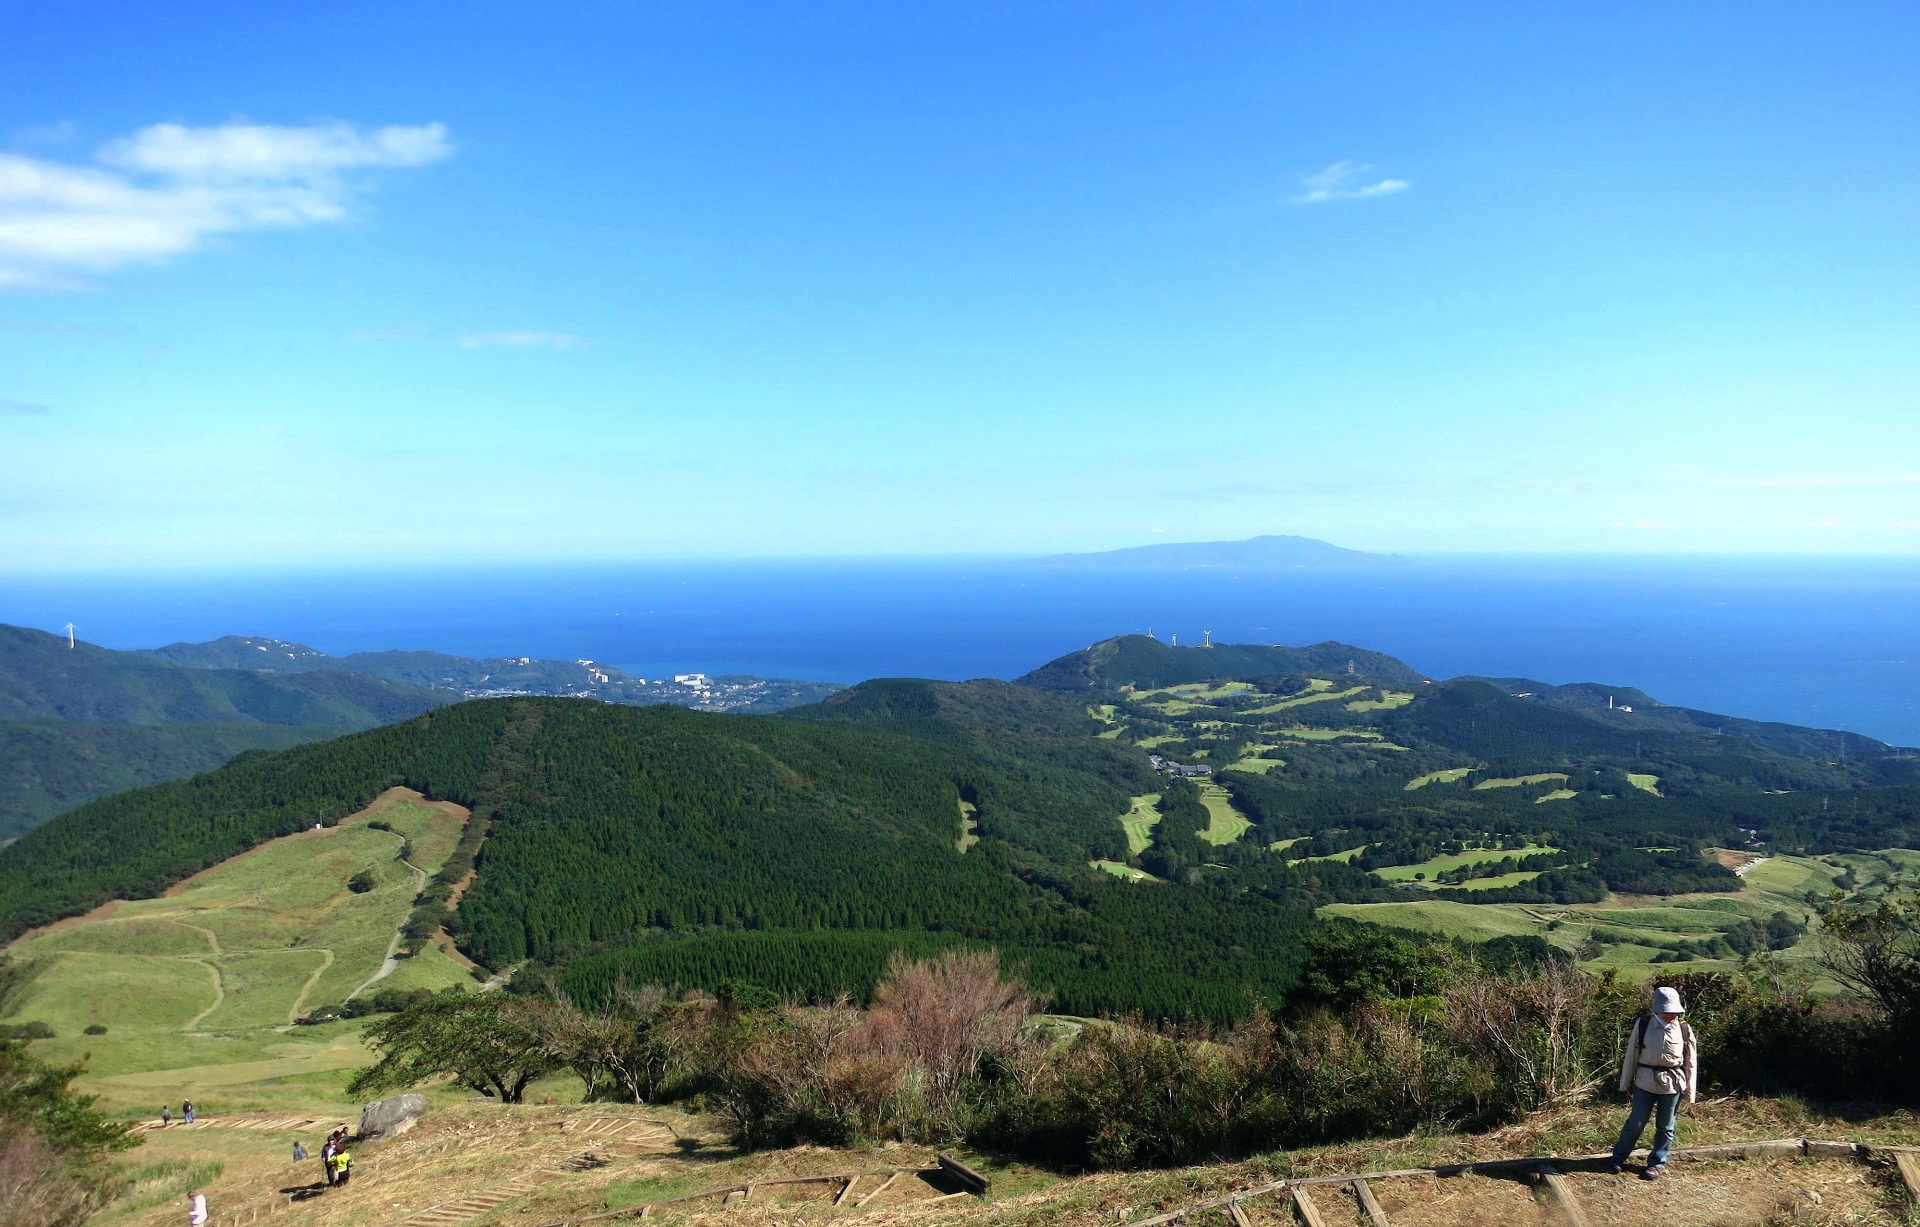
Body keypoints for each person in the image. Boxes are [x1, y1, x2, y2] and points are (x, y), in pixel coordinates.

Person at [1610, 985, 1697, 1180]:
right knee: (1635, 1123)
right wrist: (1625, 1083)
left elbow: (1691, 1061)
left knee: (1666, 1126)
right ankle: (1618, 1157)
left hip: (1673, 1084)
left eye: (1674, 1011)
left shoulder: (1684, 1028)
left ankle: (1656, 1163)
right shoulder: (1643, 1024)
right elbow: (1631, 1054)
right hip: (1645, 1082)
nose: (1670, 1015)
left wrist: (1690, 1092)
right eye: (1666, 1011)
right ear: (1657, 1009)